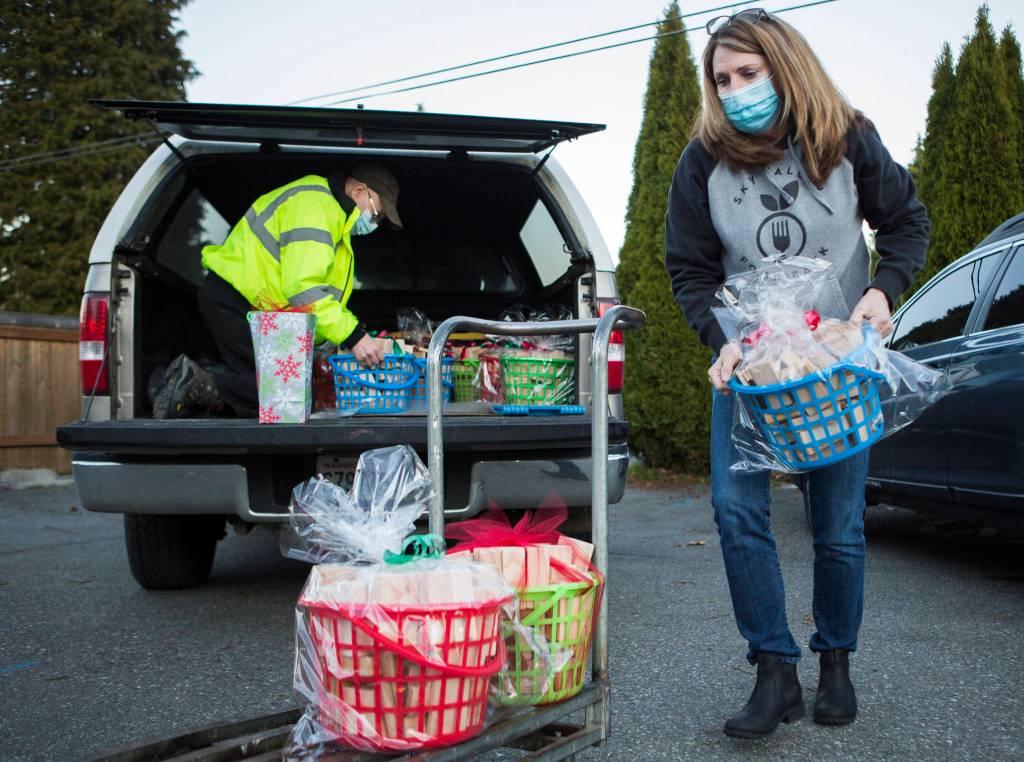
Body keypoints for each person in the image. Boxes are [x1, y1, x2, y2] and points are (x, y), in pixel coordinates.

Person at [664, 9, 929, 738]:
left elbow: (907, 221)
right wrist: (721, 340)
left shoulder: (846, 138)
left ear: (784, 66)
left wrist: (881, 291)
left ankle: (836, 661)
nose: (735, 90)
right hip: (753, 369)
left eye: (748, 73)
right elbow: (688, 268)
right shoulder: (701, 162)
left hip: (837, 369)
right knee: (736, 509)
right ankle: (773, 669)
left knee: (838, 525)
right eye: (722, 79)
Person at [153, 165, 401, 419]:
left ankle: (196, 383)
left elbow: (318, 295)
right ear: (359, 190)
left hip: (254, 310)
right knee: (287, 394)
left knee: (287, 393)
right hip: (239, 303)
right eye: (376, 213)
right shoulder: (316, 208)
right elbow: (304, 289)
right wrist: (354, 335)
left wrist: (328, 343)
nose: (375, 223)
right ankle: (196, 383)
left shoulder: (332, 216)